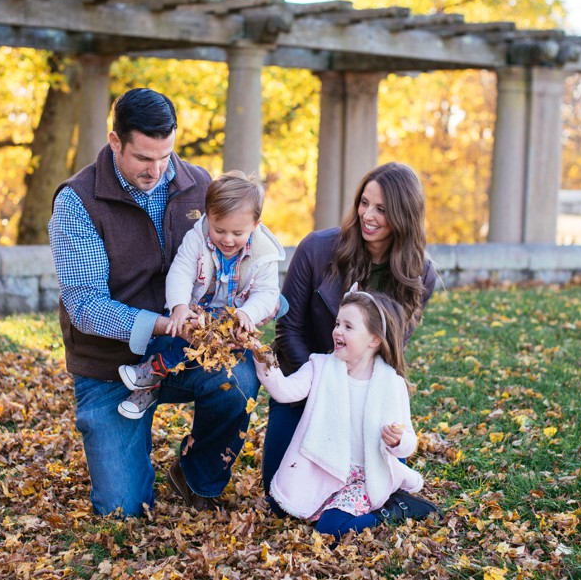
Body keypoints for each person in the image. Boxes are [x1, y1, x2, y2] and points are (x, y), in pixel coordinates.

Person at [48, 88, 259, 516]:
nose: (157, 169)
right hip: (110, 365)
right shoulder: (77, 202)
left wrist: (249, 306)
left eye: (165, 155)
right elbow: (85, 305)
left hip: (187, 351)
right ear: (114, 142)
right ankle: (129, 446)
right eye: (144, 158)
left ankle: (197, 475)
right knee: (123, 510)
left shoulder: (200, 185)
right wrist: (164, 323)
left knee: (240, 380)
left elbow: (247, 244)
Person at [264, 162, 439, 508]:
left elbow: (391, 353)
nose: (367, 215)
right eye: (364, 203)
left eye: (382, 209)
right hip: (305, 383)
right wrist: (322, 385)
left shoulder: (420, 275)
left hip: (365, 398)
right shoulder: (316, 249)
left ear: (404, 216)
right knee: (280, 500)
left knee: (381, 496)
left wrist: (356, 400)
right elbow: (288, 328)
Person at [248, 287, 439, 538]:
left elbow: (409, 443)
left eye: (348, 327)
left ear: (374, 339)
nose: (337, 331)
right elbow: (285, 391)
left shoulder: (390, 384)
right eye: (337, 323)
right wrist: (263, 358)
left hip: (365, 478)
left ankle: (394, 509)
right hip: (326, 466)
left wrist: (397, 441)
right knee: (277, 510)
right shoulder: (321, 366)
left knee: (330, 529)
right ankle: (326, 503)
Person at [116, 170, 285, 419]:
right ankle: (149, 382)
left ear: (255, 225)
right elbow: (181, 272)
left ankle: (154, 372)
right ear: (209, 218)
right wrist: (180, 306)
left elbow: (267, 293)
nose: (227, 240)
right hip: (198, 311)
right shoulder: (197, 237)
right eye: (219, 230)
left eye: (237, 233)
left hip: (231, 321)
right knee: (176, 335)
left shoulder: (264, 254)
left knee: (227, 363)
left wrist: (247, 312)